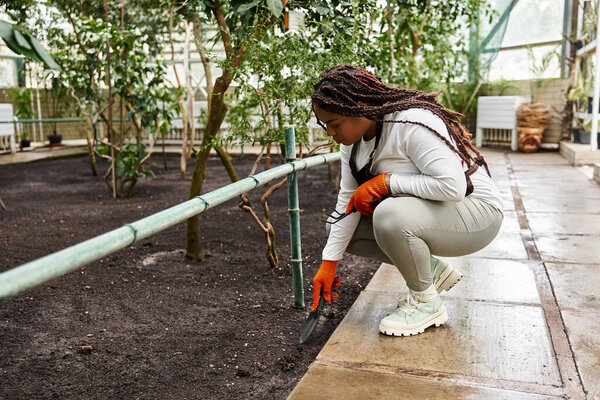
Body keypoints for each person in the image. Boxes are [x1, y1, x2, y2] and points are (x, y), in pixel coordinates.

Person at [310, 64, 504, 337]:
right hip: (440, 212)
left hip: (478, 212)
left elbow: (453, 187)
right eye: (325, 125)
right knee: (337, 227)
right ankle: (433, 271)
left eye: (334, 123)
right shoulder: (351, 145)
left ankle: (427, 303)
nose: (329, 132)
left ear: (360, 105)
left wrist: (386, 182)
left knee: (389, 215)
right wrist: (329, 263)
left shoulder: (410, 122)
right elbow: (347, 202)